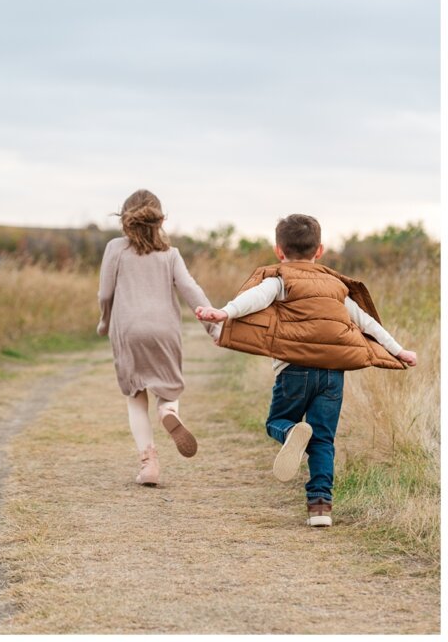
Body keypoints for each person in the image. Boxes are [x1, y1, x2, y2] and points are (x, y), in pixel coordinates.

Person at [195, 214, 416, 527]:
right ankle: (320, 508)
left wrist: (224, 312)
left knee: (277, 421)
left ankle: (289, 435)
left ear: (279, 251)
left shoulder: (281, 278)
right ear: (320, 250)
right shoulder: (336, 285)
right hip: (332, 374)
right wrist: (398, 349)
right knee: (323, 439)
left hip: (294, 370)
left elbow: (255, 298)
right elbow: (367, 322)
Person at [97, 189, 220, 486]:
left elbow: (105, 293)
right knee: (167, 391)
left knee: (135, 395)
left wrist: (104, 321)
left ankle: (148, 462)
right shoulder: (171, 254)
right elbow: (191, 290)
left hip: (128, 330)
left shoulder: (116, 248)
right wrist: (212, 326)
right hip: (164, 330)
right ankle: (168, 412)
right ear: (161, 220)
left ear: (125, 221)